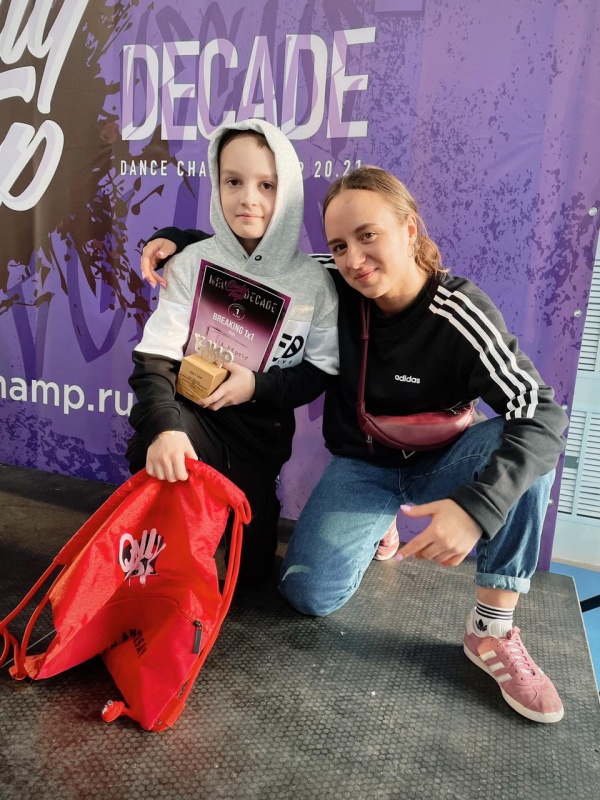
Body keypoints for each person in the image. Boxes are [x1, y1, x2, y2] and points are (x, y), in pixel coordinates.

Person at [140, 166, 568, 724]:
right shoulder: (328, 281)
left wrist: (477, 507)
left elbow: (542, 411)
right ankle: (378, 525)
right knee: (306, 595)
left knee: (527, 449)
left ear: (409, 229)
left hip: (444, 463)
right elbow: (258, 262)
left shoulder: (459, 311)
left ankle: (492, 629)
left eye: (369, 236)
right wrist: (181, 240)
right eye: (340, 245)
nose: (354, 259)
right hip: (364, 467)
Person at [127, 119, 339, 585]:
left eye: (267, 185)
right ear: (217, 183)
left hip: (259, 439)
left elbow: (319, 372)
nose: (248, 199)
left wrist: (257, 386)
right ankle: (158, 548)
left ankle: (245, 523)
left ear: (289, 191)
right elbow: (153, 358)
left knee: (247, 580)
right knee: (154, 438)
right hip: (194, 419)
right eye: (233, 182)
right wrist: (165, 428)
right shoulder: (189, 262)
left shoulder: (315, 284)